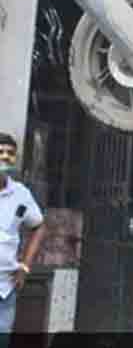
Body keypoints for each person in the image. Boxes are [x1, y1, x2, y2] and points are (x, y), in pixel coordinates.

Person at [0, 134, 45, 346]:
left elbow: (38, 226)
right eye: (0, 152)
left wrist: (25, 267)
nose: (5, 157)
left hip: (5, 287)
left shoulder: (21, 194)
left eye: (10, 153)